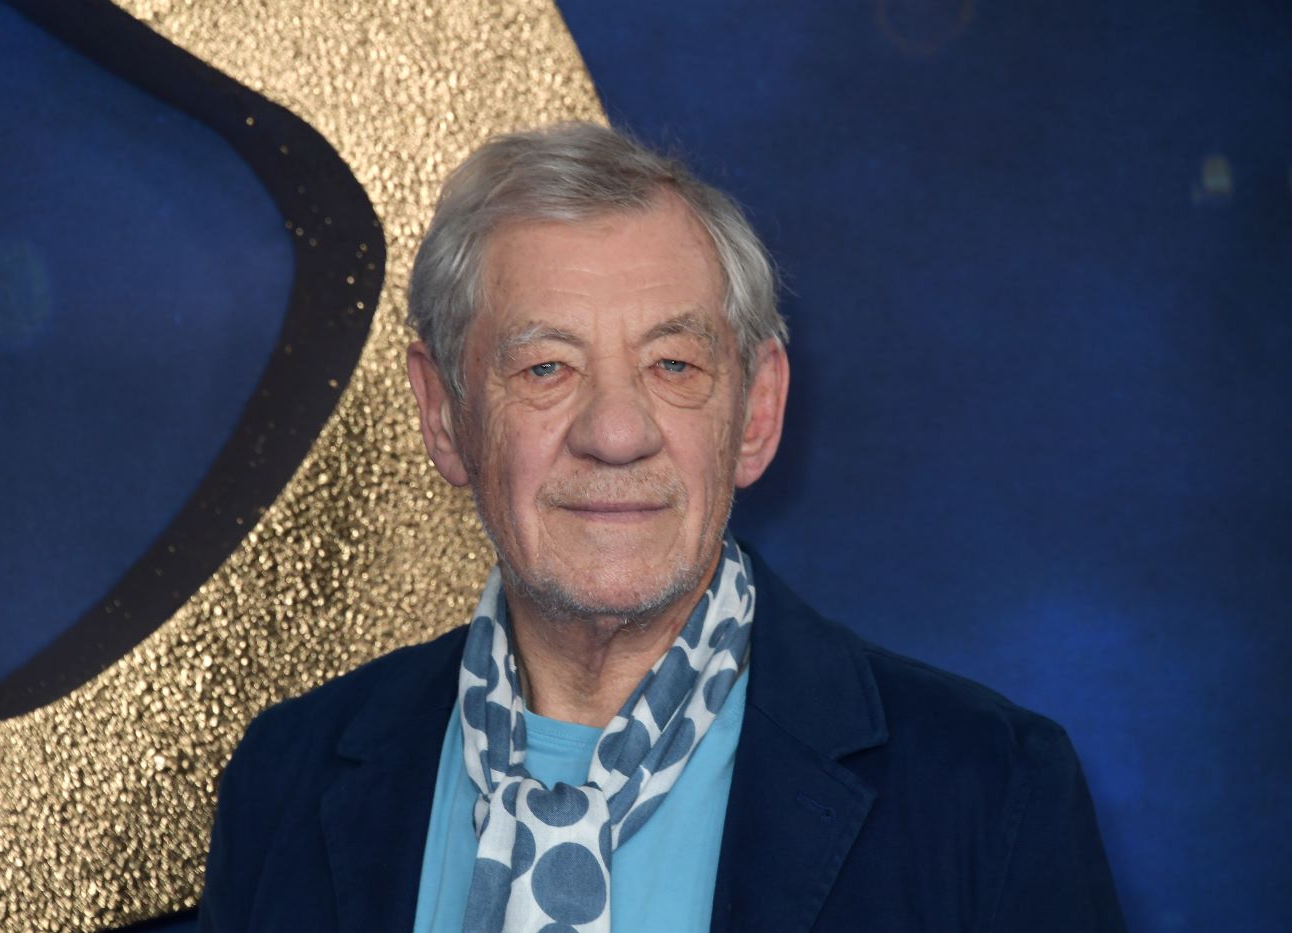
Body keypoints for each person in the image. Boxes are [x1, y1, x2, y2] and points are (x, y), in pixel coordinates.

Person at [197, 122, 1125, 932]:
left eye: (674, 365)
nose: (616, 433)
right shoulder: (285, 781)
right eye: (546, 368)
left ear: (755, 414)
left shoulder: (989, 792)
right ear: (444, 416)